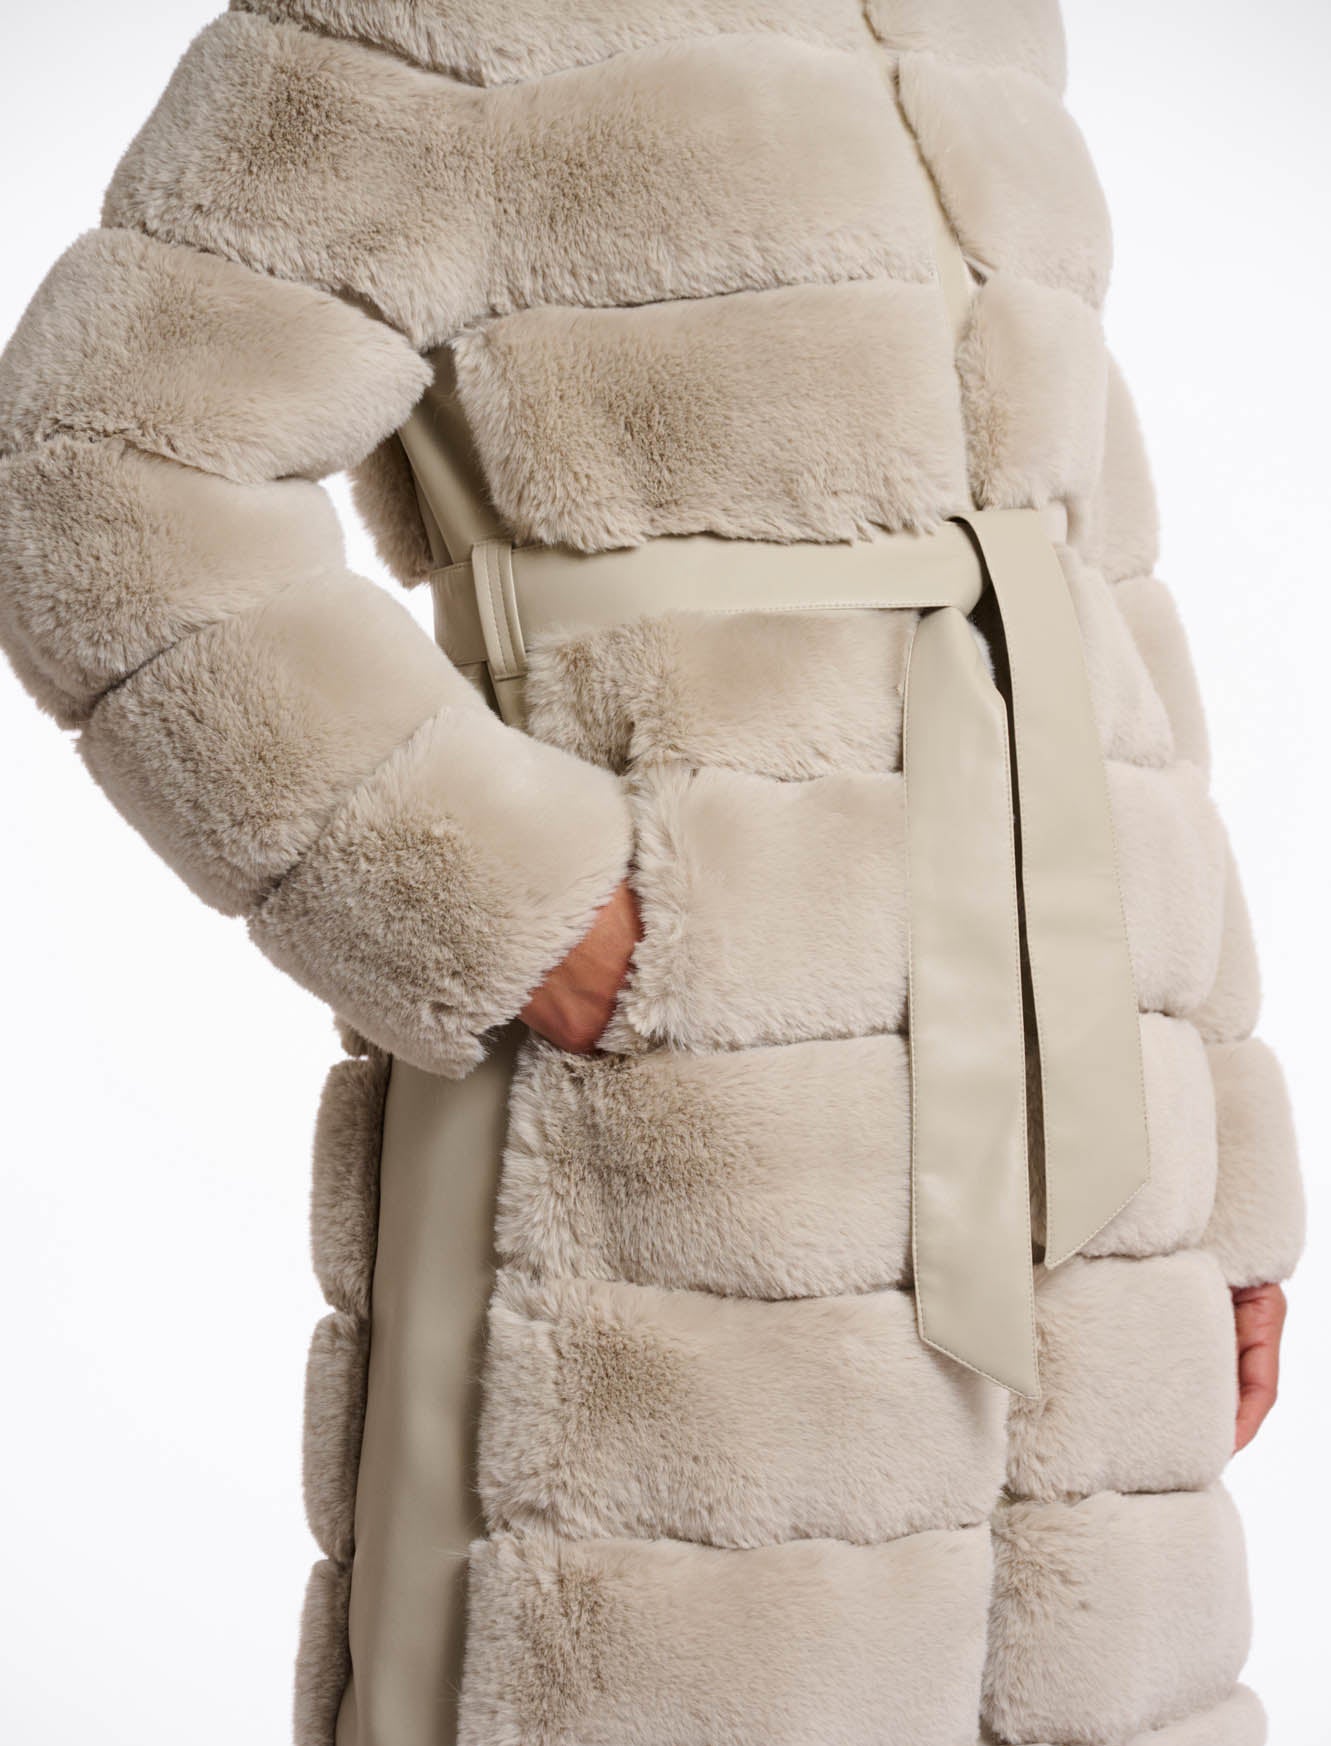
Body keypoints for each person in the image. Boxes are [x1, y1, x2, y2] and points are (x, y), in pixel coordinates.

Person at [0, 3, 1305, 1743]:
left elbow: (1099, 593)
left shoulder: (989, 24)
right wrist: (516, 906)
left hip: (1092, 1130)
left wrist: (1223, 1172)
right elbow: (100, 471)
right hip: (691, 1114)